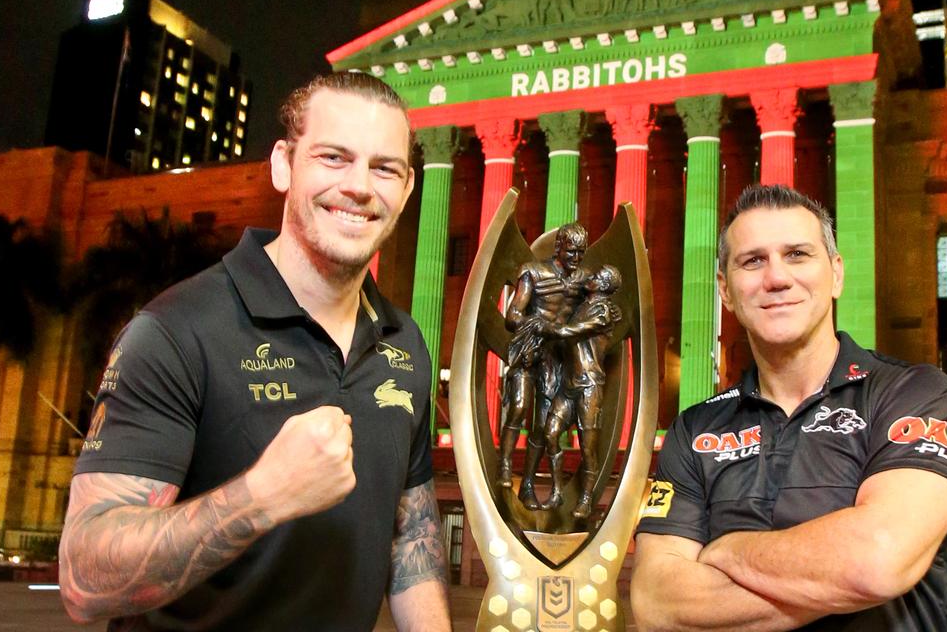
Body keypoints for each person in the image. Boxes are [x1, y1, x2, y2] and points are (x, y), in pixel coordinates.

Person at [59, 73, 450, 632]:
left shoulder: (404, 343)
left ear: (408, 188)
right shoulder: (176, 330)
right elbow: (82, 580)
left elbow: (412, 539)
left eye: (384, 168)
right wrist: (261, 497)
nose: (361, 187)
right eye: (334, 158)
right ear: (283, 165)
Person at [632, 184, 947, 631]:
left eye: (797, 254)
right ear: (726, 291)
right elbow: (657, 604)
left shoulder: (916, 395)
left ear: (835, 274)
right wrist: (825, 576)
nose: (776, 277)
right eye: (752, 260)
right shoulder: (693, 430)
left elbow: (875, 560)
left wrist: (726, 551)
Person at [495, 223, 588, 509]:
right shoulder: (533, 272)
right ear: (558, 247)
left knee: (543, 425)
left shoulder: (584, 279)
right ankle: (505, 468)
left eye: (580, 253)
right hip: (528, 349)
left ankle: (529, 485)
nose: (575, 258)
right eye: (571, 251)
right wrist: (538, 324)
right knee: (520, 406)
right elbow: (512, 316)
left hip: (557, 358)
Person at [544, 264, 622, 518]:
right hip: (568, 384)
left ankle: (586, 499)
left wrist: (550, 329)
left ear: (605, 286)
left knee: (588, 449)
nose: (592, 277)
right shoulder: (581, 306)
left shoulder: (604, 311)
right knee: (551, 434)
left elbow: (571, 331)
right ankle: (557, 492)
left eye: (598, 277)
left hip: (590, 385)